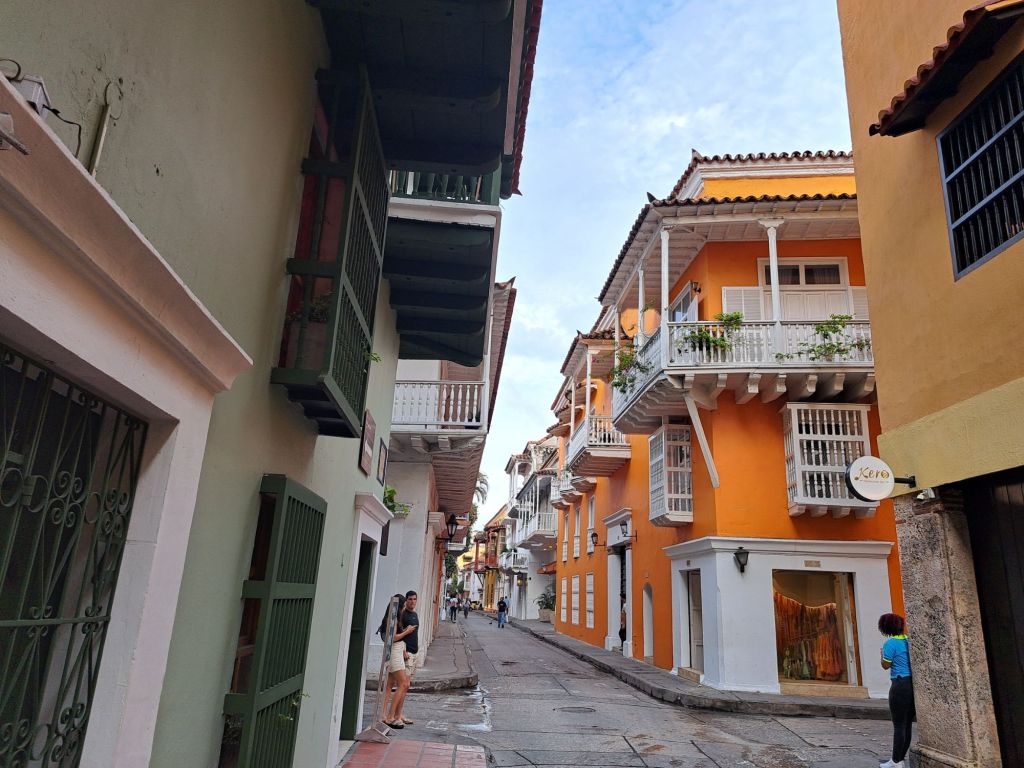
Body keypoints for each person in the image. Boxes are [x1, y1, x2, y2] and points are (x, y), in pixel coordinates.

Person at [878, 613, 914, 768]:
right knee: (907, 725)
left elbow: (886, 665)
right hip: (911, 684)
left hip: (899, 685)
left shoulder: (890, 644)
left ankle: (895, 761)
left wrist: (882, 655)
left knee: (898, 725)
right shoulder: (908, 640)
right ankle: (900, 759)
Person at [376, 594, 414, 730]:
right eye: (403, 606)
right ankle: (391, 716)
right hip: (394, 653)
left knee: (389, 685)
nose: (404, 609)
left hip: (397, 651)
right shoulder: (391, 619)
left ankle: (383, 716)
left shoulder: (395, 618)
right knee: (403, 683)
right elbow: (392, 638)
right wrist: (407, 632)